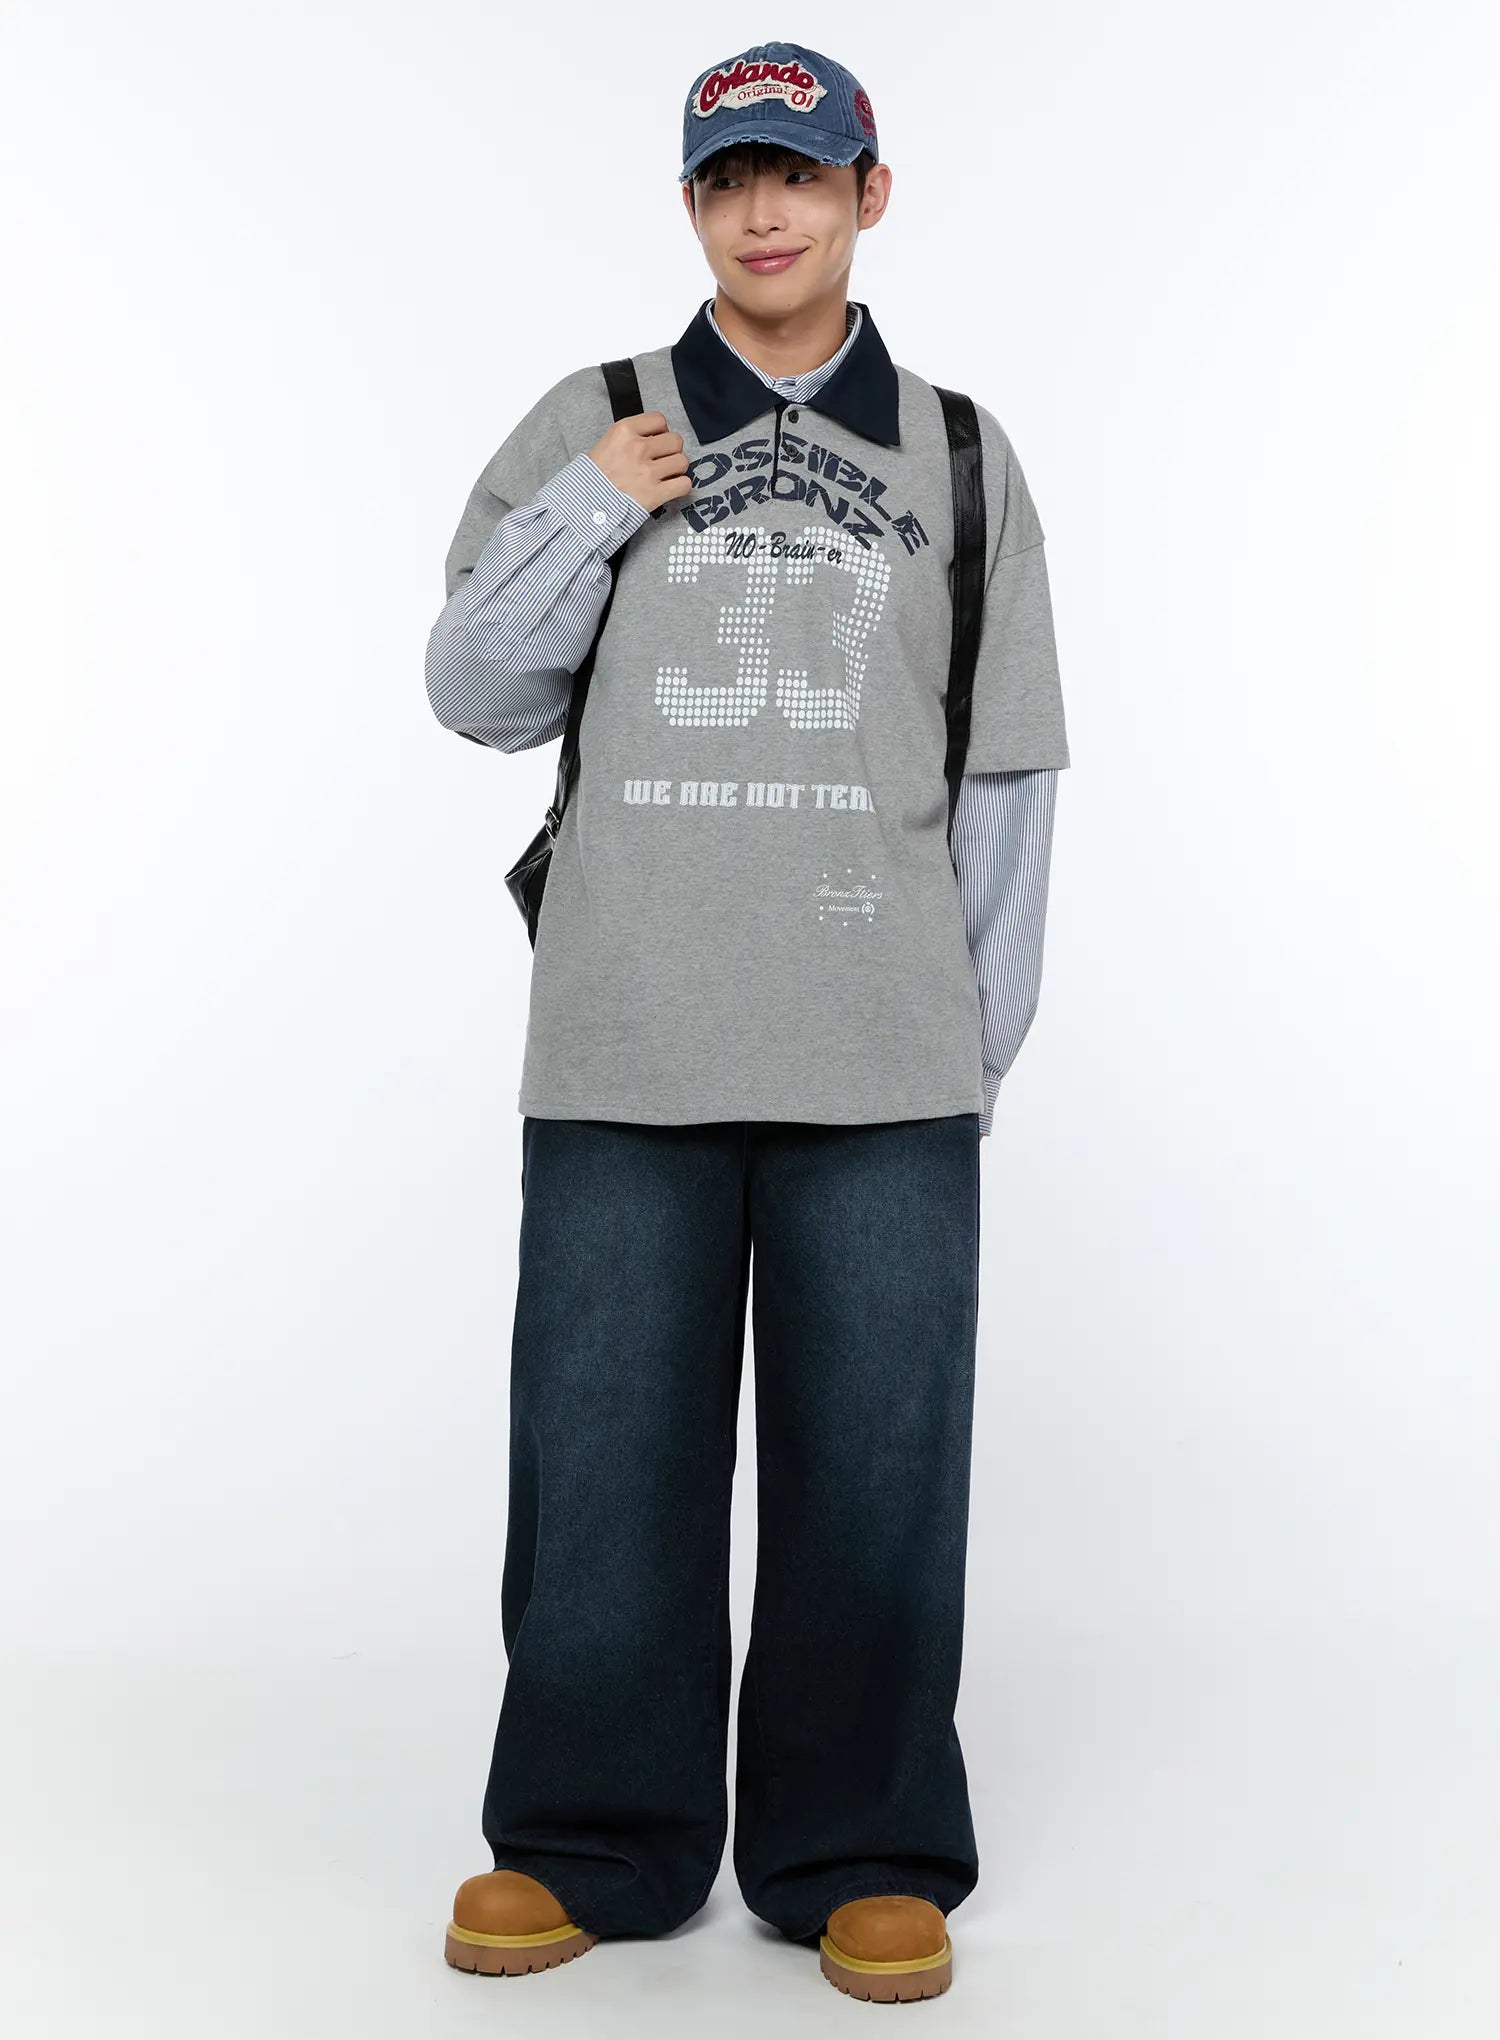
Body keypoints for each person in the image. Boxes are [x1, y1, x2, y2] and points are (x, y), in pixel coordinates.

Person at [424, 39, 1070, 2004]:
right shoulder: (596, 419)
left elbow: (1005, 785)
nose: (763, 212)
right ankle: (586, 1840)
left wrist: (967, 1054)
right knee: (602, 1466)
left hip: (884, 1060)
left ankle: (861, 1847)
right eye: (727, 181)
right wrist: (588, 512)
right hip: (626, 1043)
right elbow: (475, 693)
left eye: (799, 174)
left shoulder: (960, 454)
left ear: (870, 193)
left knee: (879, 1473)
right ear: (693, 206)